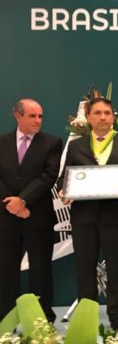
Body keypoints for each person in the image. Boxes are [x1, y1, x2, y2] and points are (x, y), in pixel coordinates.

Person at [59, 97, 118, 331]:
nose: (103, 117)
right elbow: (63, 177)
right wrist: (64, 189)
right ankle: (87, 317)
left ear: (113, 116)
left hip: (114, 215)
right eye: (97, 113)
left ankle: (117, 318)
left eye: (107, 113)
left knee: (115, 267)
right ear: (88, 117)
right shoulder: (76, 146)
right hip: (83, 216)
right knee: (85, 266)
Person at [0, 99, 62, 322]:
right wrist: (12, 204)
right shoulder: (2, 142)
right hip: (6, 218)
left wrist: (23, 201)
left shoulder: (52, 143)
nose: (38, 121)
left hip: (38, 217)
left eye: (40, 116)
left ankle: (42, 319)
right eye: (32, 116)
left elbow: (48, 176)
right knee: (6, 270)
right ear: (18, 116)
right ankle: (6, 319)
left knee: (41, 270)